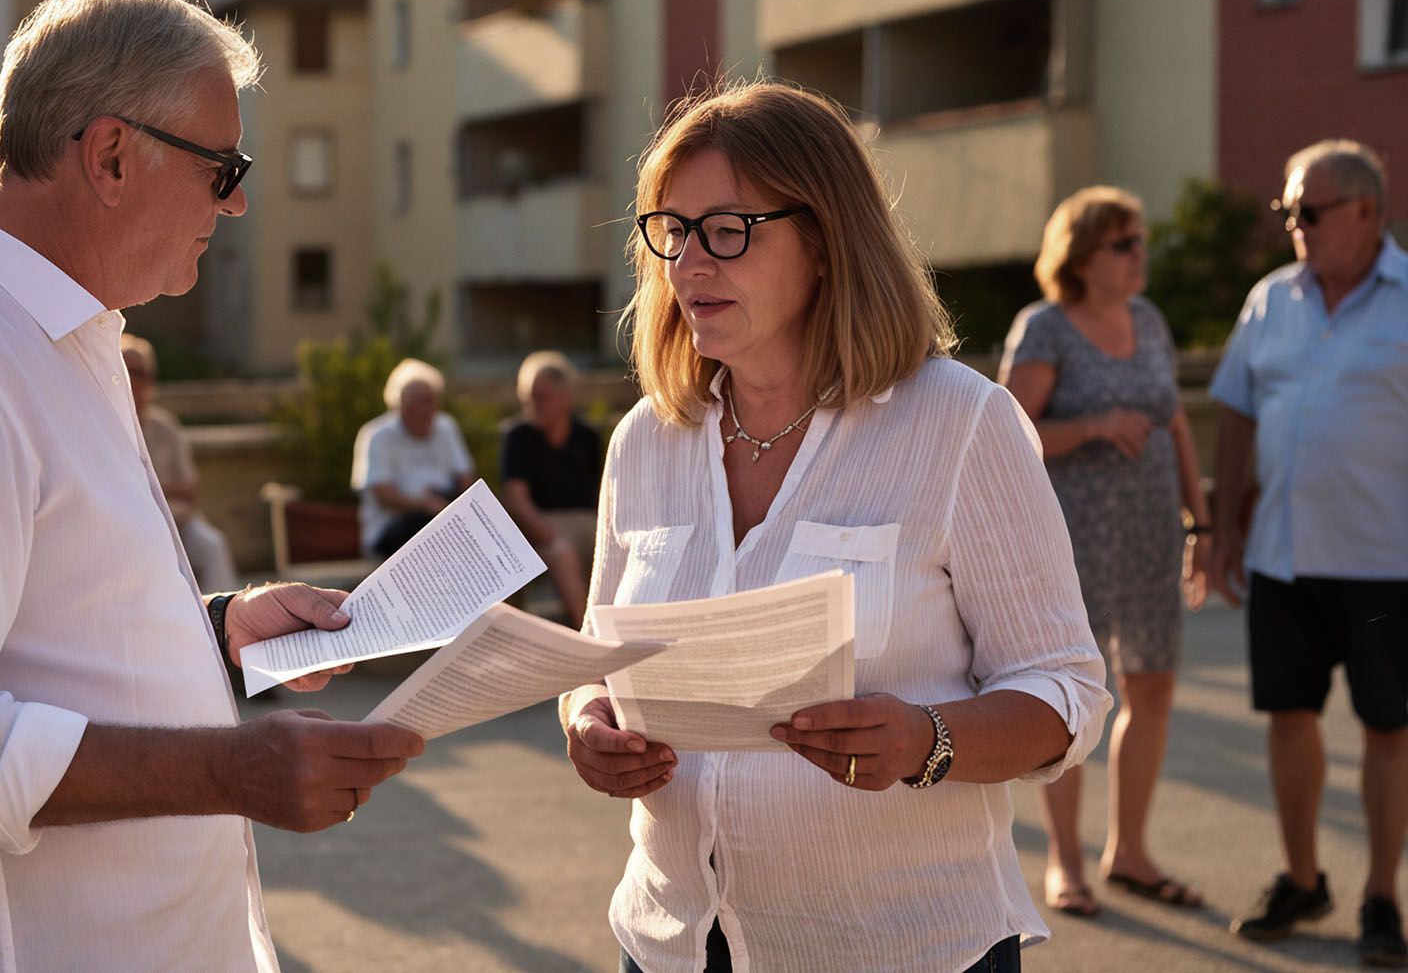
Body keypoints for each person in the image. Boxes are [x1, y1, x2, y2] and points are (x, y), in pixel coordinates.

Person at [0, 0, 423, 972]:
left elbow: (48, 622)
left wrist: (216, 628)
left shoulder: (50, 334)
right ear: (109, 155)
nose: (240, 198)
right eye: (225, 166)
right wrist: (232, 767)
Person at [558, 80, 1111, 973]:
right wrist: (587, 720)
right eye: (671, 229)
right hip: (672, 940)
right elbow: (595, 652)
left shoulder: (961, 423)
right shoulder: (645, 441)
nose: (691, 264)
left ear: (824, 240)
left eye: (728, 229)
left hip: (903, 945)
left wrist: (927, 741)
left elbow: (1066, 694)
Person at [1208, 139, 1408, 966]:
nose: (1296, 224)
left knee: (1388, 728)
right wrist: (1221, 527)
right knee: (1289, 719)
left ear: (1367, 212)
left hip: (1385, 558)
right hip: (1284, 556)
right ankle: (1302, 877)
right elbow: (1236, 411)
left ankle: (1381, 897)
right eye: (1287, 210)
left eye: (1310, 211)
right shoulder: (1270, 301)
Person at [999, 187, 1211, 919]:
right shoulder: (1046, 327)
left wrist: (1201, 526)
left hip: (1152, 536)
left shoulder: (1149, 321)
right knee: (1069, 698)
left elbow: (1178, 427)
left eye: (1140, 241)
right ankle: (1066, 861)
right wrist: (1093, 424)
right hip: (1072, 540)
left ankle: (1131, 851)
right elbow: (1010, 433)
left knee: (1150, 690)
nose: (1139, 255)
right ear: (1082, 257)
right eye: (1125, 243)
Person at [122, 333, 240, 593]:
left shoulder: (166, 427)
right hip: (133, 528)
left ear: (150, 378)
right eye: (125, 370)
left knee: (213, 544)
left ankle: (225, 622)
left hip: (180, 523)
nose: (132, 379)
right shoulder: (109, 425)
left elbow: (190, 489)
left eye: (138, 372)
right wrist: (165, 488)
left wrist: (151, 486)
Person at [500, 351, 603, 628]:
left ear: (565, 396)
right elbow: (517, 500)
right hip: (540, 527)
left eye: (541, 396)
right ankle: (589, 636)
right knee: (562, 553)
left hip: (587, 523)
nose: (533, 405)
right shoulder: (518, 437)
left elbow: (603, 495)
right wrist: (551, 535)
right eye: (529, 397)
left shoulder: (587, 437)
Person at [357, 358, 476, 558]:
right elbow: (382, 493)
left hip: (442, 521)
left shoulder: (446, 427)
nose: (429, 409)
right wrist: (424, 504)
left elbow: (465, 478)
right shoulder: (377, 435)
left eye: (432, 400)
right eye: (422, 401)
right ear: (401, 404)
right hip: (393, 529)